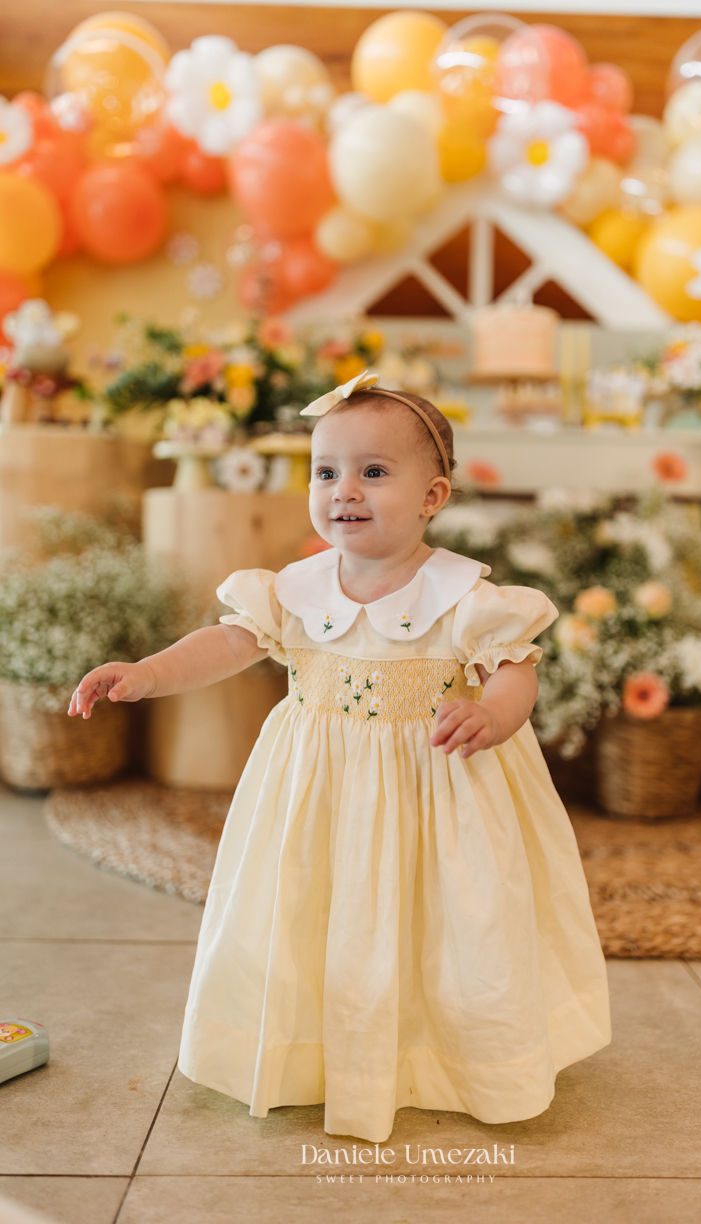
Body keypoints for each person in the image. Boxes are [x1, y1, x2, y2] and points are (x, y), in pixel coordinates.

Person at [69, 371, 611, 1143]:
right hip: (317, 793)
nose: (343, 490)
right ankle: (316, 1053)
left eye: (374, 472)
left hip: (436, 792)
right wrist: (148, 673)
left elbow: (517, 670)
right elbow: (229, 643)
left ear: (433, 496)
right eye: (326, 472)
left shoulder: (463, 598)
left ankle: (451, 1052)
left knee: (446, 928)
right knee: (313, 916)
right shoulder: (296, 589)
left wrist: (491, 712)